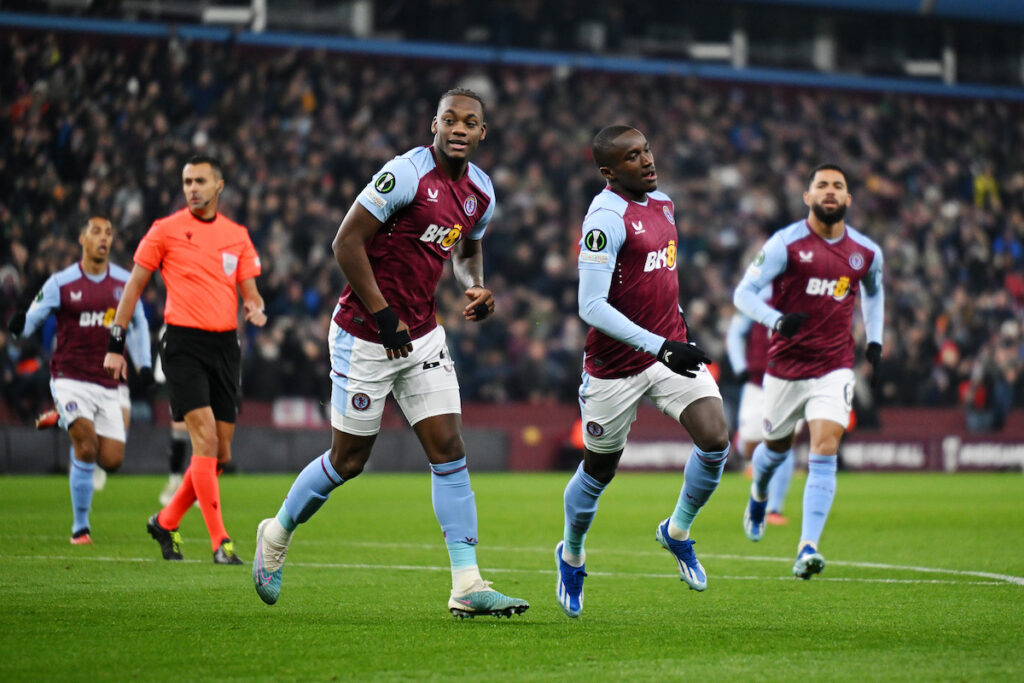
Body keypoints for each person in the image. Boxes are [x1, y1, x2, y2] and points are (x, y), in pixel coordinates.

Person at [251, 88, 529, 619]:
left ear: (482, 132)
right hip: (363, 332)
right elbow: (346, 243)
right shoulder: (404, 174)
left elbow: (467, 247)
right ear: (435, 123)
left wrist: (475, 284)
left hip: (421, 333)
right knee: (349, 460)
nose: (459, 128)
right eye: (450, 119)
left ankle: (467, 583)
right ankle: (277, 530)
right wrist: (382, 315)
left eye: (470, 122)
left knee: (448, 448)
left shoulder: (481, 192)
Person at [555, 125, 730, 619]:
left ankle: (676, 532)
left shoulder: (665, 204)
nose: (647, 160)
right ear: (609, 171)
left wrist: (676, 336)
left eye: (647, 149)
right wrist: (660, 345)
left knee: (716, 438)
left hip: (669, 350)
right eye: (632, 157)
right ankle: (571, 553)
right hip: (615, 366)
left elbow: (660, 279)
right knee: (599, 470)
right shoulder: (605, 219)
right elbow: (590, 305)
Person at [104, 154, 267, 565]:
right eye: (187, 181)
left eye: (199, 181)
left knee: (221, 455)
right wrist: (115, 341)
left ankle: (165, 520)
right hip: (182, 345)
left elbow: (250, 292)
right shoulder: (165, 231)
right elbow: (133, 287)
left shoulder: (237, 235)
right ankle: (220, 543)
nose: (192, 188)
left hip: (225, 348)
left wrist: (254, 307)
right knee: (206, 441)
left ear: (219, 186)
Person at [734, 163, 884, 579]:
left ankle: (807, 546)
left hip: (834, 367)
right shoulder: (785, 244)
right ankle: (759, 493)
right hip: (784, 369)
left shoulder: (866, 252)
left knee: (824, 446)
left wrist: (875, 338)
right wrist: (775, 321)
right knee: (774, 450)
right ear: (808, 197)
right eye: (822, 185)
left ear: (849, 198)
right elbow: (742, 294)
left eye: (838, 185)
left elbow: (874, 290)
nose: (830, 191)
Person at [8, 216, 151, 544]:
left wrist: (144, 364)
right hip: (69, 377)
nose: (104, 238)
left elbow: (139, 321)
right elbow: (31, 319)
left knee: (111, 460)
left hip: (107, 383)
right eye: (96, 232)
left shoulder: (123, 282)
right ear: (82, 239)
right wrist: (18, 326)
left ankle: (65, 419)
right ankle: (80, 528)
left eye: (109, 233)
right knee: (86, 446)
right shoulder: (61, 282)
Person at [725, 290, 794, 525]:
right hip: (757, 382)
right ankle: (743, 446)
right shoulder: (756, 295)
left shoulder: (802, 295)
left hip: (788, 381)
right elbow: (735, 333)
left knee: (784, 441)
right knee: (751, 444)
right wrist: (739, 366)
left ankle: (774, 508)